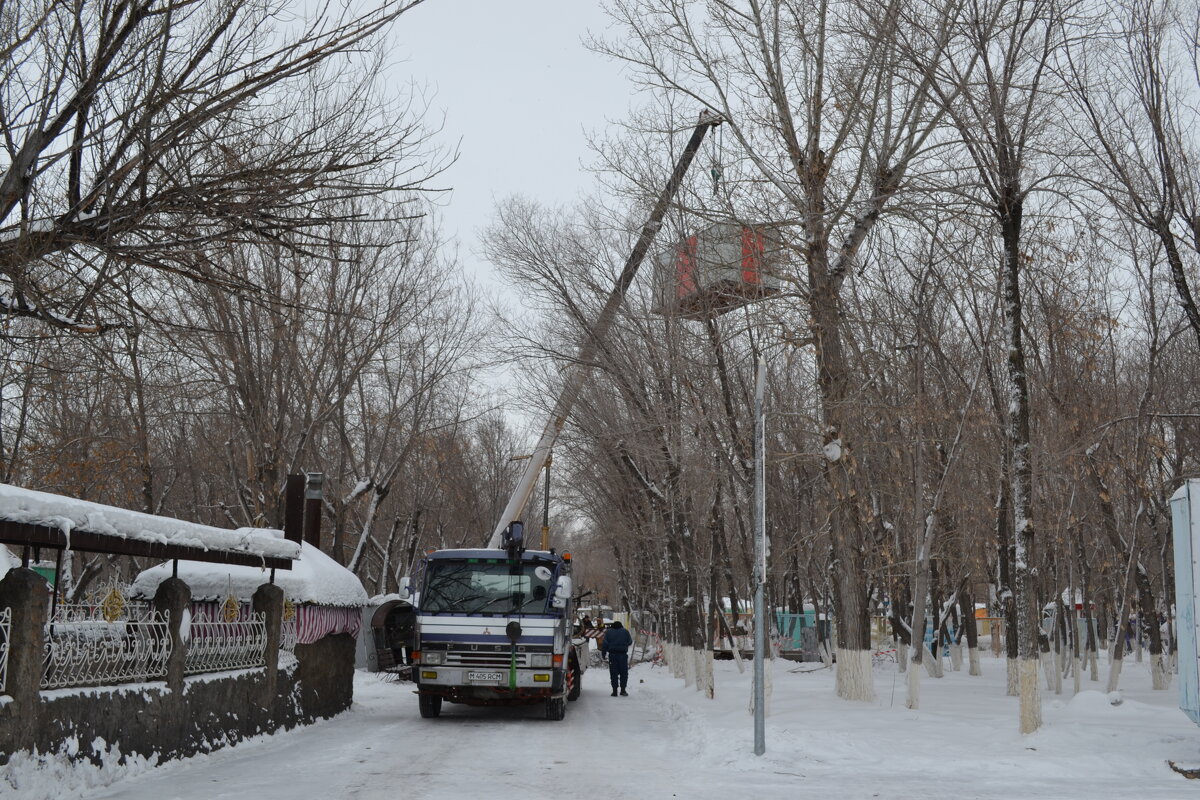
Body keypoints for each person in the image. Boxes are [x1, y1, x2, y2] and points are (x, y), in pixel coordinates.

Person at [600, 620, 633, 696]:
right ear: (621, 626)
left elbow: (605, 644)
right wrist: (623, 644)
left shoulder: (608, 632)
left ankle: (614, 691)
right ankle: (623, 690)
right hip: (623, 655)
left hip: (613, 655)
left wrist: (603, 654)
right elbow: (630, 642)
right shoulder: (625, 631)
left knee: (613, 673)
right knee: (624, 673)